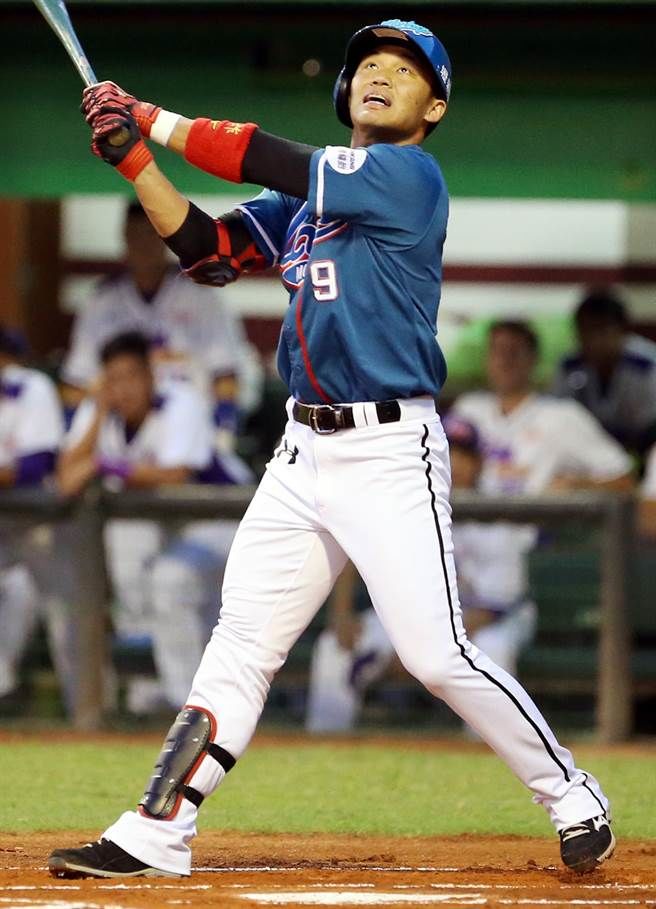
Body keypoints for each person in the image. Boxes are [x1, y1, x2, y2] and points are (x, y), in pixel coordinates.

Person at [50, 19, 616, 879]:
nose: (380, 76)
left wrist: (150, 118)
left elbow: (262, 154)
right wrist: (136, 163)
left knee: (435, 654)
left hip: (389, 448)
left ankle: (571, 791)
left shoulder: (408, 177)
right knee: (241, 639)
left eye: (404, 70)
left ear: (434, 107)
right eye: (370, 65)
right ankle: (157, 829)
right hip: (301, 450)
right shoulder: (305, 202)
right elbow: (207, 254)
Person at [305, 415, 538, 733]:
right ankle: (325, 742)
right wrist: (342, 613)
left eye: (465, 454)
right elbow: (351, 547)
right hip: (420, 619)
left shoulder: (498, 512)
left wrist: (418, 651)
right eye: (449, 451)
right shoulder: (406, 501)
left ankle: (486, 749)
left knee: (491, 650)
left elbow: (493, 607)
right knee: (334, 646)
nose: (456, 463)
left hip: (491, 620)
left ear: (480, 462)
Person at [57, 331, 243, 711]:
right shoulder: (102, 409)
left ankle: (187, 707)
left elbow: (176, 475)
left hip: (224, 519)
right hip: (169, 528)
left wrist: (104, 465)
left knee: (171, 581)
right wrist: (99, 416)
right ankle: (167, 698)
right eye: (113, 379)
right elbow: (66, 477)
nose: (122, 388)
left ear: (150, 376)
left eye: (131, 376)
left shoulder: (181, 401)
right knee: (144, 579)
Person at [60, 201, 254, 447]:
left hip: (188, 425)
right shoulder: (102, 300)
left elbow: (225, 374)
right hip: (120, 428)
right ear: (124, 238)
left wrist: (223, 429)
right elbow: (77, 380)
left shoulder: (201, 296)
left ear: (165, 239)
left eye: (150, 236)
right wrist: (74, 433)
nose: (143, 246)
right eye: (135, 236)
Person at [451, 319, 634, 497]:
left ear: (533, 358)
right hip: (473, 515)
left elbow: (624, 479)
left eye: (514, 352)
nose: (505, 361)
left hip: (536, 516)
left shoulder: (563, 416)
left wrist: (577, 485)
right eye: (497, 351)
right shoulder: (468, 410)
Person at [0, 326, 65, 707]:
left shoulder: (30, 386)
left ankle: (90, 716)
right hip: (7, 528)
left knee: (65, 618)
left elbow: (37, 464)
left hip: (45, 522)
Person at [551, 288, 656, 454]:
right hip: (586, 451)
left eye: (601, 331)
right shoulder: (569, 366)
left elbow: (649, 425)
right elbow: (559, 416)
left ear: (622, 330)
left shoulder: (646, 366)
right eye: (585, 331)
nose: (593, 341)